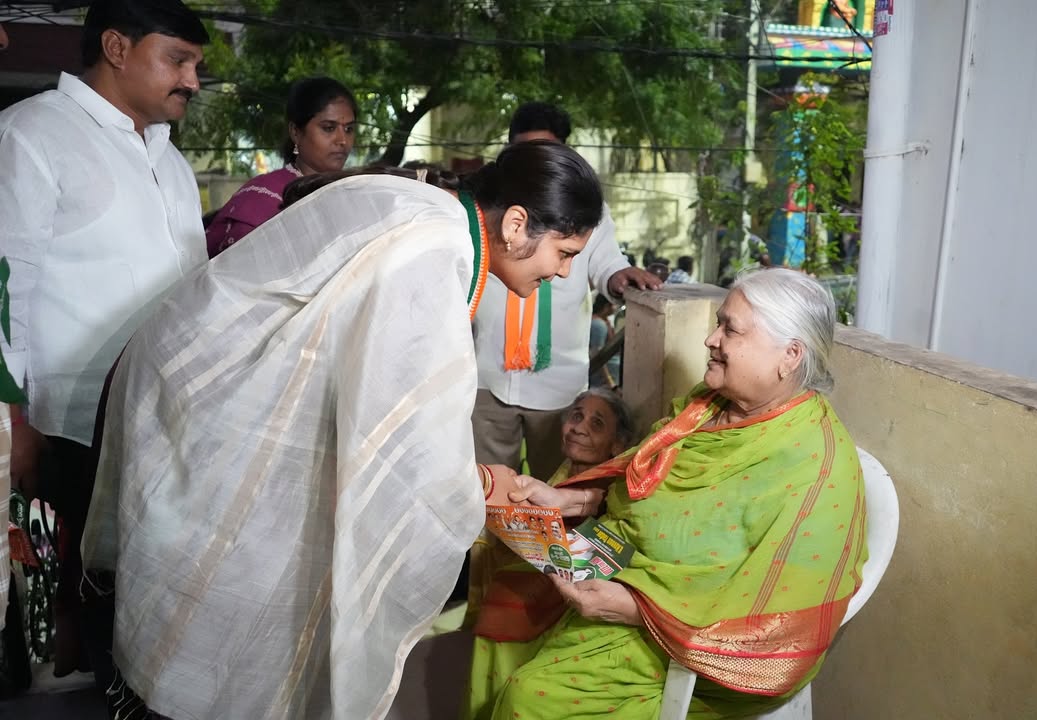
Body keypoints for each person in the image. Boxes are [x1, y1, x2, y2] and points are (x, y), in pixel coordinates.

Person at [80, 140, 605, 719]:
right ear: (514, 225)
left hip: (192, 373)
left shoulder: (433, 211)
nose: (563, 271)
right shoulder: (433, 252)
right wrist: (480, 485)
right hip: (216, 398)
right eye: (564, 251)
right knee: (226, 586)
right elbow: (405, 439)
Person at [465, 268, 868, 719]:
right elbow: (639, 477)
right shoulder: (708, 405)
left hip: (682, 632)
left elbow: (781, 623)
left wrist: (638, 611)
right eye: (718, 323)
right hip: (613, 558)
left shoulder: (818, 467)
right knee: (507, 596)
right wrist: (572, 500)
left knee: (530, 698)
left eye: (729, 329)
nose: (710, 339)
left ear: (789, 355)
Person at [0, 0, 209, 677]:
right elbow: (6, 285)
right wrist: (14, 422)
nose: (192, 81)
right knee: (71, 599)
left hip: (164, 420)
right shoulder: (31, 134)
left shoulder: (172, 162)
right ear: (117, 48)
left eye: (196, 65)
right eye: (177, 60)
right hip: (68, 420)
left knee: (144, 593)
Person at [471, 101, 661, 483]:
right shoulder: (488, 207)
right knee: (485, 489)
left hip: (556, 384)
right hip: (485, 375)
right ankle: (489, 546)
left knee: (554, 486)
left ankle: (549, 546)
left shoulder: (583, 209)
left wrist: (619, 275)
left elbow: (605, 260)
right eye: (524, 152)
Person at [465, 388, 634, 625]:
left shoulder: (614, 485)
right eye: (576, 416)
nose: (578, 428)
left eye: (596, 424)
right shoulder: (564, 470)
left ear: (616, 445)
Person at [205, 76, 358, 258]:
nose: (342, 140)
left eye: (349, 129)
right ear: (295, 132)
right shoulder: (260, 200)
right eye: (328, 128)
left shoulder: (358, 194)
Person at [588, 295, 620, 389]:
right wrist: (609, 381)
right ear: (606, 307)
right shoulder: (599, 325)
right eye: (613, 305)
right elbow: (597, 353)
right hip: (602, 380)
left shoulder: (601, 321)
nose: (615, 308)